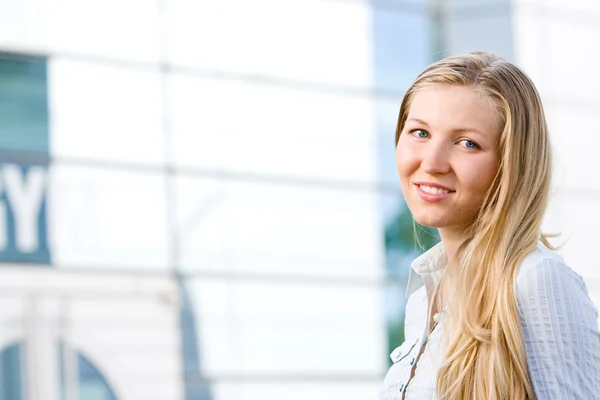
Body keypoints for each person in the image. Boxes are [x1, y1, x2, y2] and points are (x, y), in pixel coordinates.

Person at [379, 52, 600, 400]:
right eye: (420, 132)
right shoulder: (423, 301)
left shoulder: (534, 280)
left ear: (511, 165)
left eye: (468, 143)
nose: (432, 162)